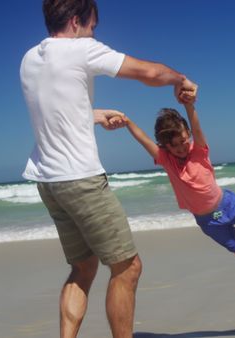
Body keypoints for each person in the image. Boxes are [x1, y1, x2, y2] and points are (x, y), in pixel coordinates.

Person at [20, 1, 197, 337]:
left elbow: (54, 107)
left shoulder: (30, 59)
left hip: (48, 181)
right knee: (127, 267)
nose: (93, 33)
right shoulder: (80, 50)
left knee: (83, 267)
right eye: (92, 27)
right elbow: (149, 72)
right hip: (81, 180)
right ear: (75, 22)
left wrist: (94, 115)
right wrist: (180, 79)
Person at [116, 97, 235, 287]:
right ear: (166, 146)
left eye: (183, 140)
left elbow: (197, 127)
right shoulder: (166, 160)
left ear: (188, 134)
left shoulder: (198, 150)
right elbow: (144, 141)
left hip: (228, 204)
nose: (181, 147)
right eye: (174, 145)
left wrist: (189, 106)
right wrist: (128, 122)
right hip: (208, 221)